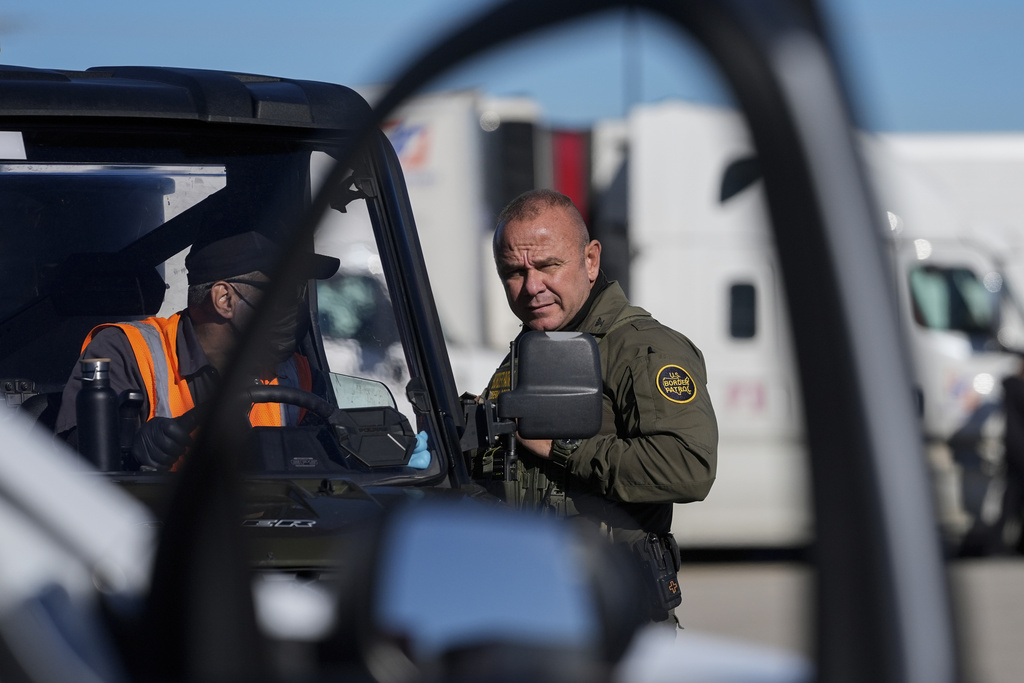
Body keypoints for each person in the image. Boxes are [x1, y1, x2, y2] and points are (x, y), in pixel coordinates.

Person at [477, 189, 718, 622]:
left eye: (548, 266)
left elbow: (688, 466)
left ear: (590, 260)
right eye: (513, 272)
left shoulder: (644, 348)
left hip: (612, 618)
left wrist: (561, 446)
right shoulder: (533, 348)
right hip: (527, 606)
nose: (532, 287)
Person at [55, 231, 340, 469]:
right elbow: (72, 468)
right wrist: (129, 452)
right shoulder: (128, 351)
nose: (295, 306)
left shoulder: (297, 374)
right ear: (225, 299)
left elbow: (332, 469)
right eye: (285, 293)